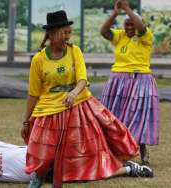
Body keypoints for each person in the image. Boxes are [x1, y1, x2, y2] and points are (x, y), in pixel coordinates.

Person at [21, 10, 152, 188]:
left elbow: (83, 79)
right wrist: (26, 121)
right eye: (64, 33)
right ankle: (38, 177)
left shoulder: (75, 51)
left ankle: (128, 167)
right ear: (51, 33)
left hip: (77, 108)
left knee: (85, 154)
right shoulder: (38, 60)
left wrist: (73, 93)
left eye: (69, 32)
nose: (67, 36)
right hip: (48, 111)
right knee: (44, 153)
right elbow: (33, 93)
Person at [0, 138, 152, 184]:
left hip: (43, 154)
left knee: (85, 157)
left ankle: (121, 160)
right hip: (41, 175)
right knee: (85, 175)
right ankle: (129, 170)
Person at [100, 0, 160, 166]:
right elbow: (104, 31)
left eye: (131, 24)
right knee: (114, 117)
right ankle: (114, 152)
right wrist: (115, 13)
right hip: (117, 81)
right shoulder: (119, 36)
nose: (129, 27)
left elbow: (140, 28)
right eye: (126, 24)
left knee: (139, 116)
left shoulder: (145, 36)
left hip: (140, 80)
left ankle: (142, 149)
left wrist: (127, 8)